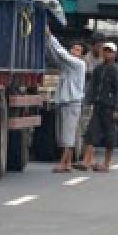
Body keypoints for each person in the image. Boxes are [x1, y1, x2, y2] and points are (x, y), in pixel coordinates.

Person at [78, 41, 118, 172]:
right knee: (90, 133)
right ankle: (87, 161)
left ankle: (106, 163)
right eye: (105, 50)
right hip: (98, 106)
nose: (107, 53)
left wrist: (117, 108)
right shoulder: (98, 69)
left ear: (115, 54)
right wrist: (87, 101)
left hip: (110, 108)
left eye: (110, 51)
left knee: (109, 137)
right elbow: (92, 87)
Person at [45, 28, 86, 173]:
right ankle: (67, 163)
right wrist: (48, 41)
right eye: (74, 49)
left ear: (81, 55)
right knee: (65, 133)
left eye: (78, 50)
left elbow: (62, 54)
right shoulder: (67, 66)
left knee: (68, 134)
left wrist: (51, 37)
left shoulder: (78, 64)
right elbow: (55, 56)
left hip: (72, 102)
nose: (75, 51)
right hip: (65, 102)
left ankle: (63, 163)